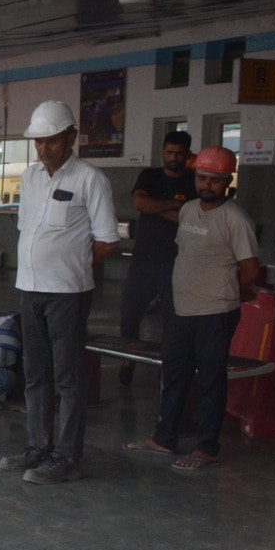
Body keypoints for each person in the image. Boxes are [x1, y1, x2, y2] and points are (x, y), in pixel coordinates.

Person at [0, 100, 119, 485]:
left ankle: (67, 457)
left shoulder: (90, 179)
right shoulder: (31, 177)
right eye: (38, 142)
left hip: (67, 293)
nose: (43, 148)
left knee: (68, 377)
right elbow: (28, 230)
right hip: (30, 289)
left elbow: (106, 242)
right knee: (36, 374)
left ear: (71, 137)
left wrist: (75, 271)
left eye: (51, 141)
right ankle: (38, 446)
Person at [125, 147, 259, 472]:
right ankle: (164, 438)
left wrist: (229, 296)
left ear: (227, 181)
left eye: (215, 180)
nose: (207, 185)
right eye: (202, 178)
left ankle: (207, 448)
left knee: (211, 380)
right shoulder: (187, 211)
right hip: (181, 310)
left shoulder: (236, 219)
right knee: (174, 375)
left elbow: (250, 270)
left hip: (216, 313)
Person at [118, 131, 193, 385]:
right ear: (163, 151)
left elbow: (189, 218)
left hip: (178, 263)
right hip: (144, 260)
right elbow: (139, 204)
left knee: (173, 319)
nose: (174, 158)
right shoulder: (149, 176)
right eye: (170, 152)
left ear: (187, 155)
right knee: (130, 313)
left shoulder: (193, 182)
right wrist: (172, 206)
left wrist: (157, 206)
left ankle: (167, 365)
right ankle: (128, 359)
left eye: (179, 153)